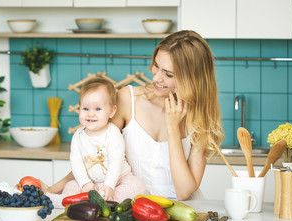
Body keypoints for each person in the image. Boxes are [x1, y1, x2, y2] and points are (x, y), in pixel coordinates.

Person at [44, 30, 224, 201]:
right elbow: (94, 158)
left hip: (184, 213)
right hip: (132, 209)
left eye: (168, 74)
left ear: (192, 79)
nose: (155, 78)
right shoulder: (128, 99)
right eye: (156, 66)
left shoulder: (200, 118)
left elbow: (184, 192)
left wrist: (173, 129)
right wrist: (53, 189)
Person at [43, 78, 145, 207]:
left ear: (112, 111)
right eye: (85, 109)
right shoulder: (78, 136)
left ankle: (107, 202)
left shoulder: (113, 133)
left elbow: (115, 161)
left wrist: (109, 185)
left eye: (97, 109)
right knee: (71, 185)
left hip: (118, 180)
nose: (90, 114)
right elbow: (76, 163)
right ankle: (67, 202)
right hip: (90, 183)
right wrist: (85, 183)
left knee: (137, 185)